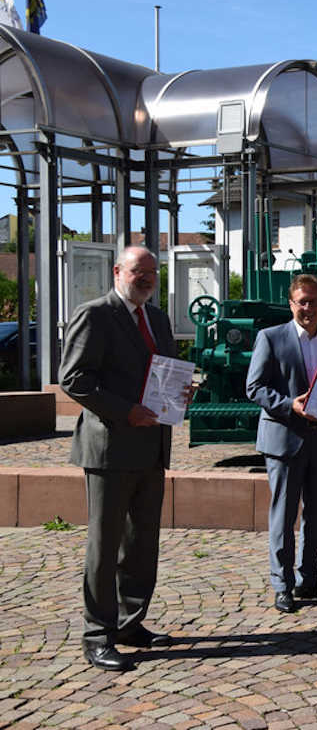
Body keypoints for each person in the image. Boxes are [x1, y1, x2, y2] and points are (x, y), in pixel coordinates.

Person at [60, 245, 189, 671]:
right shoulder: (95, 314)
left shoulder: (158, 318)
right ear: (119, 272)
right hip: (110, 448)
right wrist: (125, 409)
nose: (147, 278)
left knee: (141, 543)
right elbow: (73, 378)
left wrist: (182, 391)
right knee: (105, 545)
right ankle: (97, 635)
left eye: (152, 272)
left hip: (151, 448)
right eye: (139, 271)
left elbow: (164, 370)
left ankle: (131, 622)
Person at [246, 274, 317, 614]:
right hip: (285, 438)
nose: (308, 308)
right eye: (302, 302)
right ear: (291, 304)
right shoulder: (270, 338)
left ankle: (309, 578)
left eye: (314, 301)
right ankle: (282, 584)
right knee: (284, 515)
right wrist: (291, 404)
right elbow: (255, 387)